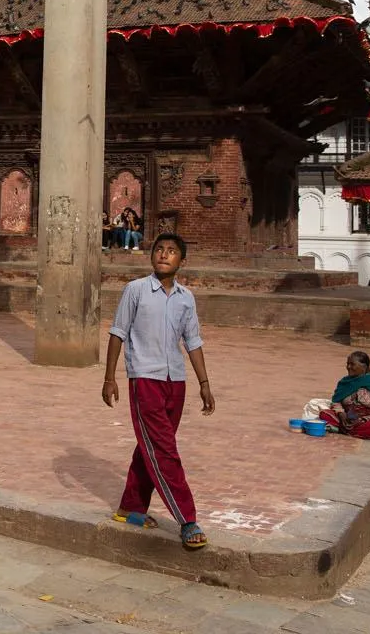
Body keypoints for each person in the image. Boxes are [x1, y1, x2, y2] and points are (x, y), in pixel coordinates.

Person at [102, 232, 216, 551]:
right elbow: (117, 333)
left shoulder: (185, 298)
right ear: (152, 256)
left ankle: (130, 507)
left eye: (172, 252)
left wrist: (204, 384)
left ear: (182, 260)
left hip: (175, 381)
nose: (164, 255)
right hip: (144, 379)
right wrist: (110, 377)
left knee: (150, 446)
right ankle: (187, 519)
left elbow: (192, 342)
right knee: (164, 450)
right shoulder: (135, 290)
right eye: (159, 250)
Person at [319, 351, 370, 439]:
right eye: (347, 364)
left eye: (352, 364)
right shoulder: (345, 382)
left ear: (364, 367)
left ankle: (343, 431)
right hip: (346, 418)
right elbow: (336, 401)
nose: (348, 367)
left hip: (365, 421)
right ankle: (350, 431)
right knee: (324, 414)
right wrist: (341, 414)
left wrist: (364, 419)